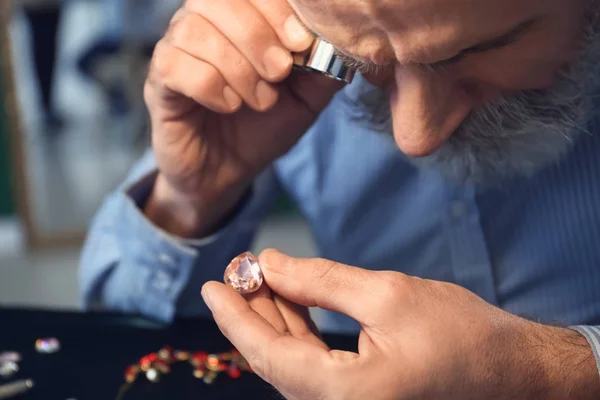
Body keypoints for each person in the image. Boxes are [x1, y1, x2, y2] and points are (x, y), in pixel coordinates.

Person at [79, 0, 600, 397]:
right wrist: (192, 199)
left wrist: (555, 373)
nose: (414, 137)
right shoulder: (285, 42)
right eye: (359, 60)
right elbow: (110, 335)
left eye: (468, 53)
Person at [17, 0, 64, 129]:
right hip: (36, 7)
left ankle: (48, 104)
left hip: (51, 6)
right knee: (42, 52)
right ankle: (46, 105)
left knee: (50, 51)